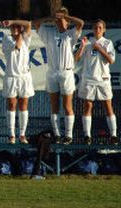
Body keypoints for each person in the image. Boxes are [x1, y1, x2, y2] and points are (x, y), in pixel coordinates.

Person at [33, 7, 84, 144]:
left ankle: (68, 135)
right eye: (58, 21)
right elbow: (35, 23)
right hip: (52, 72)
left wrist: (67, 17)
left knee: (67, 105)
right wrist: (50, 17)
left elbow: (81, 23)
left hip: (66, 72)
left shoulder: (70, 34)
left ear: (67, 22)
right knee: (54, 106)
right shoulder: (49, 33)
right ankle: (56, 135)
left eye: (63, 20)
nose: (60, 23)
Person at [75, 19, 118, 145]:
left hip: (103, 79)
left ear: (104, 30)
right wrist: (82, 46)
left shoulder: (107, 43)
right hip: (89, 79)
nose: (97, 30)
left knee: (107, 106)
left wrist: (100, 48)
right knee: (87, 106)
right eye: (95, 27)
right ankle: (87, 136)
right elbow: (76, 59)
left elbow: (111, 60)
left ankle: (113, 135)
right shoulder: (87, 42)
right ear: (93, 29)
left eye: (100, 28)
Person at [1, 20, 34, 144]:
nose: (15, 29)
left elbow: (29, 24)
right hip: (11, 77)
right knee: (11, 105)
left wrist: (14, 22)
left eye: (17, 27)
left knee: (23, 106)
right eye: (12, 27)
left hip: (24, 77)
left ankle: (22, 134)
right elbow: (18, 45)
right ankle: (11, 135)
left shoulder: (26, 38)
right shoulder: (7, 39)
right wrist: (18, 31)